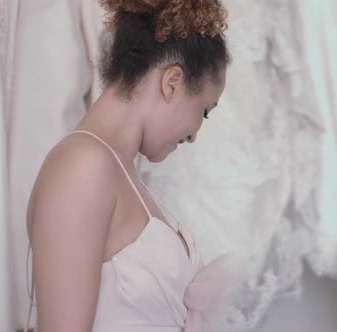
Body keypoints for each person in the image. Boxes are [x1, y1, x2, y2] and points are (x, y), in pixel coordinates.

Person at [25, 0, 239, 331]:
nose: (196, 134)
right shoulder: (83, 167)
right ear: (172, 82)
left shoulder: (118, 172)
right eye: (205, 110)